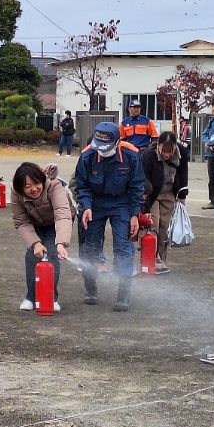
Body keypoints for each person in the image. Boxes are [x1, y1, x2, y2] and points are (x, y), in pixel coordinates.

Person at [74, 122, 144, 311]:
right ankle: (91, 290)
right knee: (91, 246)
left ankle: (123, 295)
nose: (102, 151)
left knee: (123, 247)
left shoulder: (131, 154)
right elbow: (82, 185)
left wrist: (135, 214)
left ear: (117, 142)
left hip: (121, 203)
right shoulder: (87, 155)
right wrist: (86, 207)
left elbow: (137, 186)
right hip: (95, 203)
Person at [10, 162, 73, 311]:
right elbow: (21, 221)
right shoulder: (15, 192)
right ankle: (31, 297)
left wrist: (61, 243)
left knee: (52, 253)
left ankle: (51, 298)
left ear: (42, 180)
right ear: (20, 187)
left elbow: (63, 215)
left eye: (36, 183)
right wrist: (35, 243)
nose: (33, 189)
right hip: (35, 221)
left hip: (56, 222)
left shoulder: (54, 186)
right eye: (27, 186)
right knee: (32, 256)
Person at [141, 132, 189, 274]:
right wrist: (146, 203)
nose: (167, 155)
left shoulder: (182, 153)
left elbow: (183, 173)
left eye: (170, 151)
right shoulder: (148, 155)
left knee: (165, 226)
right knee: (153, 224)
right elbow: (144, 178)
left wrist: (182, 194)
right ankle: (152, 258)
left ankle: (162, 258)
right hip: (153, 193)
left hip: (170, 193)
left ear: (175, 147)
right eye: (164, 151)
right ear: (158, 145)